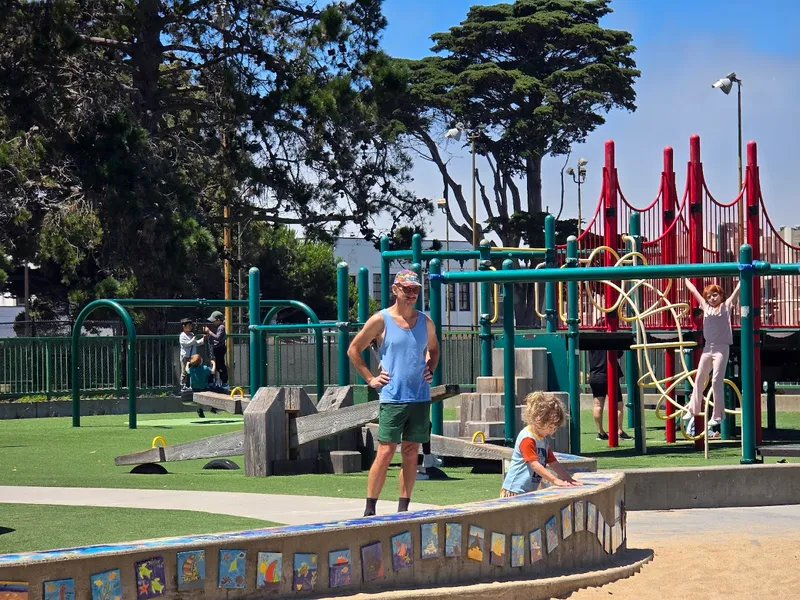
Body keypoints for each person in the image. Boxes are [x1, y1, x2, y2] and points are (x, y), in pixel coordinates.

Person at [347, 269, 440, 516]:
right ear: (395, 290)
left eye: (415, 290)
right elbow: (354, 349)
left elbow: (434, 350)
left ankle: (403, 509)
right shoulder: (381, 320)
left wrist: (429, 368)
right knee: (386, 451)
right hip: (393, 397)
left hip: (419, 397)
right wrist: (370, 378)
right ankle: (370, 509)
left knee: (411, 453)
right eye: (406, 289)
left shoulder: (425, 322)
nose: (411, 294)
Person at [501, 391, 582, 496]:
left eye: (554, 428)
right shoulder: (527, 438)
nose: (552, 431)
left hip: (527, 490)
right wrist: (554, 480)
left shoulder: (543, 441)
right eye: (550, 427)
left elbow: (553, 462)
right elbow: (534, 464)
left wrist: (568, 479)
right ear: (538, 420)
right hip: (514, 490)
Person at [684, 279, 740, 427]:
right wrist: (683, 276)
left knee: (716, 380)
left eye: (715, 295)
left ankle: (718, 415)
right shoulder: (705, 307)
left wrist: (743, 276)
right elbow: (693, 290)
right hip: (708, 348)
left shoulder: (726, 306)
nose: (712, 298)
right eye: (709, 296)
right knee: (700, 377)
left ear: (721, 296)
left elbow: (736, 292)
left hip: (721, 348)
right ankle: (693, 408)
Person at [587, 341, 632, 441]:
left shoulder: (590, 342)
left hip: (595, 375)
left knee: (597, 405)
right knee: (618, 404)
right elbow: (619, 354)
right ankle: (618, 430)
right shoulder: (610, 339)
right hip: (609, 373)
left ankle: (600, 432)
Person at [185, 354, 220, 418]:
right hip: (204, 388)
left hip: (194, 388)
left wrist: (187, 364)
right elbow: (212, 372)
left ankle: (199, 409)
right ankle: (212, 408)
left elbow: (186, 370)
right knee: (212, 393)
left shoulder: (191, 369)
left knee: (199, 400)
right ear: (200, 361)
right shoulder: (204, 368)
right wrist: (214, 363)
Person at [203, 311, 229, 391]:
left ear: (218, 319)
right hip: (216, 348)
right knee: (216, 365)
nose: (213, 322)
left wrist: (209, 332)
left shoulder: (221, 327)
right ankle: (218, 382)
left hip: (219, 348)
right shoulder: (218, 327)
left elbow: (218, 337)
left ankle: (224, 382)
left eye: (214, 320)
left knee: (220, 365)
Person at [178, 318, 205, 391]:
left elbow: (195, 343)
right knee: (184, 371)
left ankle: (191, 385)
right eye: (188, 325)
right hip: (185, 356)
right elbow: (186, 344)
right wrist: (193, 340)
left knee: (192, 371)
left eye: (191, 325)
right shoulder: (182, 335)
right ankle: (183, 385)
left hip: (192, 357)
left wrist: (203, 340)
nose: (190, 327)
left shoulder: (191, 334)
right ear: (183, 326)